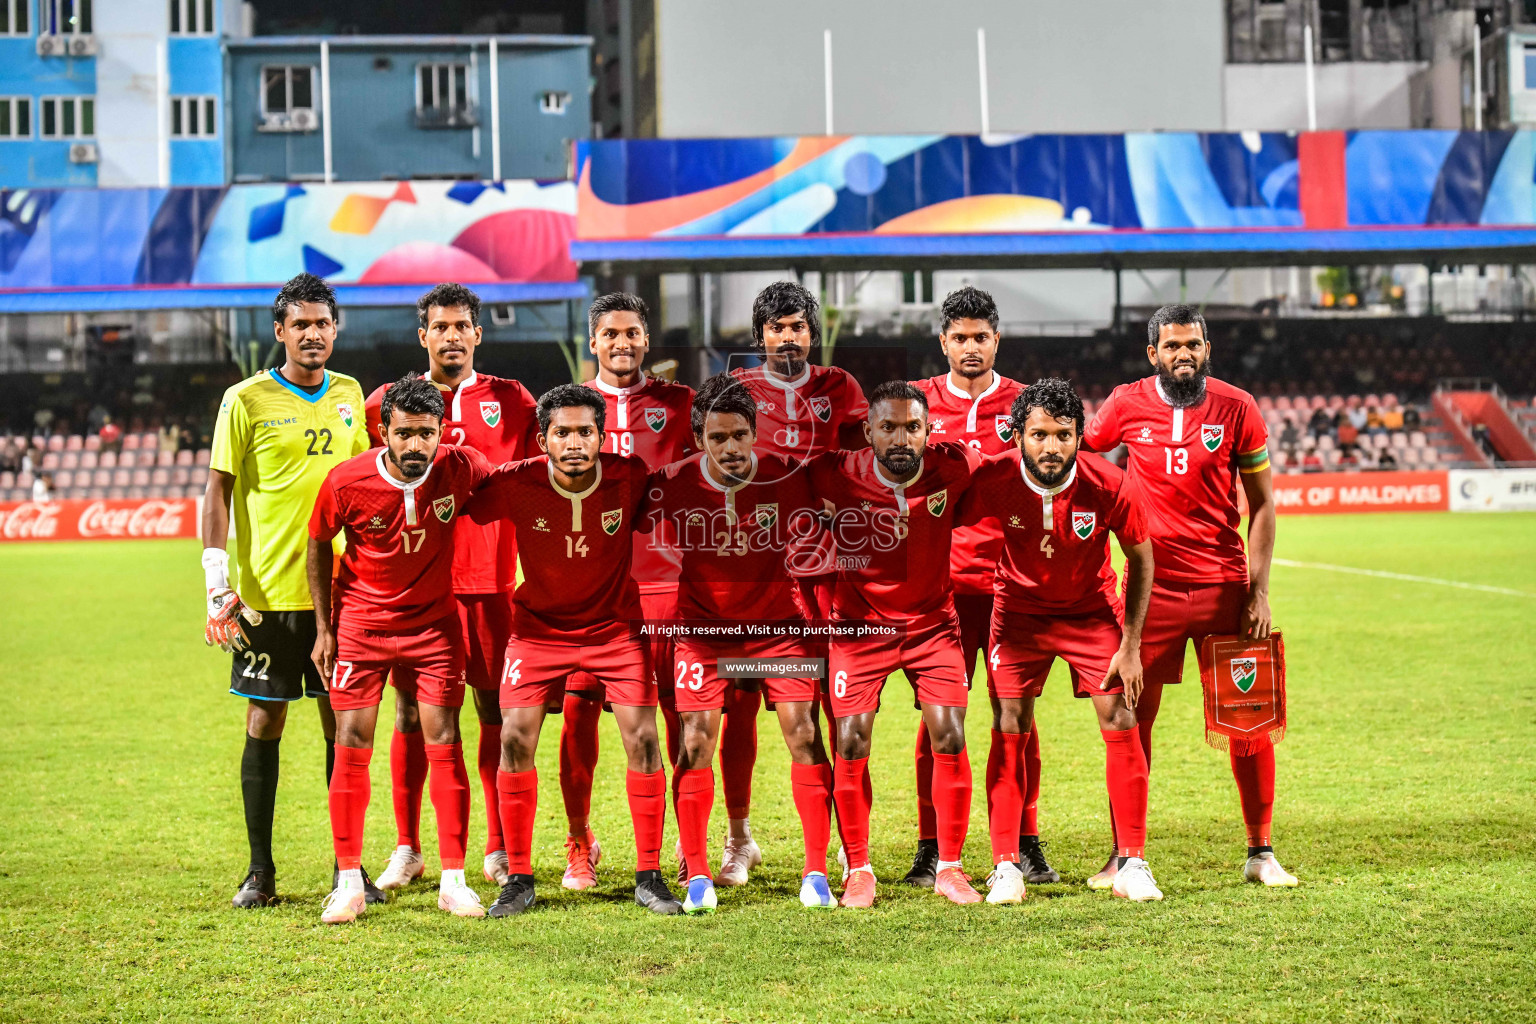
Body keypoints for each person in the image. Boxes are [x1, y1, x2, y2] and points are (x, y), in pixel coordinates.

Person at [1084, 303, 1297, 890]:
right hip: (1149, 591)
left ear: (1207, 350)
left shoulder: (1237, 407)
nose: (1185, 355)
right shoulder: (1125, 404)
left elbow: (1263, 504)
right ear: (1152, 353)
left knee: (1249, 719)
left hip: (1224, 587)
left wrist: (1259, 591)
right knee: (1130, 719)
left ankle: (1261, 852)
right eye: (1173, 346)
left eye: (1194, 345)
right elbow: (1085, 458)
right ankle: (1125, 856)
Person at [464, 384, 682, 917]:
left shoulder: (630, 476)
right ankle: (518, 878)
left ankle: (649, 876)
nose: (575, 443)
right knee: (514, 736)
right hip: (538, 632)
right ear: (543, 440)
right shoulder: (516, 482)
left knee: (644, 739)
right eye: (562, 433)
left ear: (601, 436)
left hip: (615, 631)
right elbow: (458, 501)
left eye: (586, 431)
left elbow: (679, 502)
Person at [201, 273, 377, 909]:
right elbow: (218, 488)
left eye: (322, 323)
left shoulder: (352, 395)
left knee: (344, 726)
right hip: (268, 595)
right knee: (265, 717)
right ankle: (259, 870)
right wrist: (215, 580)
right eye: (299, 324)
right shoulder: (244, 400)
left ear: (336, 329)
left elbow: (366, 482)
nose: (312, 334)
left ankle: (347, 872)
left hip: (344, 594)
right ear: (280, 332)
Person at [364, 283, 541, 894]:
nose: (452, 336)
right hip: (417, 591)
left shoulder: (514, 401)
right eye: (440, 326)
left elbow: (536, 479)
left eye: (462, 325)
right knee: (412, 711)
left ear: (478, 334)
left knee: (494, 709)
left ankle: (494, 847)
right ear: (424, 336)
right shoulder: (387, 403)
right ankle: (408, 847)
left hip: (493, 586)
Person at [961, 378, 1161, 903]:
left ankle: (1132, 863)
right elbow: (941, 521)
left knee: (1120, 718)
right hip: (1018, 617)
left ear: (1078, 437)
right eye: (1039, 434)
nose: (1051, 447)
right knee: (1009, 724)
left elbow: (1141, 559)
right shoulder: (995, 478)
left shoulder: (1108, 482)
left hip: (1091, 614)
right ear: (1019, 436)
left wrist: (1131, 644)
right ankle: (1005, 866)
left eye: (1063, 435)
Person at [641, 374, 836, 912]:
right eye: (717, 437)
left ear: (755, 433)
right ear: (699, 436)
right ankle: (699, 876)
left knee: (803, 732)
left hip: (777, 629)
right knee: (697, 740)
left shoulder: (788, 476)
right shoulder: (669, 482)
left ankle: (816, 870)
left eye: (740, 436)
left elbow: (844, 502)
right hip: (702, 632)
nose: (730, 448)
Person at [306, 374, 493, 924]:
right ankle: (348, 883)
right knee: (351, 739)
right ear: (383, 430)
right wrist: (325, 627)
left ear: (442, 433)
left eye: (427, 434)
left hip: (434, 628)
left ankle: (455, 881)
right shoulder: (346, 481)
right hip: (362, 626)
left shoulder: (461, 467)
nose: (416, 446)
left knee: (445, 737)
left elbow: (510, 482)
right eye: (405, 433)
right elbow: (318, 543)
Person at [807, 381, 981, 908]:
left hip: (933, 627)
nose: (901, 438)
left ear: (930, 431)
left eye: (912, 427)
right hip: (859, 630)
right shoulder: (831, 473)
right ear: (868, 432)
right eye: (888, 428)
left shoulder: (954, 466)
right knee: (852, 741)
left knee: (949, 734)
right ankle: (859, 868)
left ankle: (949, 866)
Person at [722, 281, 870, 884]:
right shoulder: (739, 391)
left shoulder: (840, 388)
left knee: (840, 708)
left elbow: (867, 464)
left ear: (812, 332)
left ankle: (843, 840)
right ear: (761, 337)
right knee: (737, 705)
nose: (788, 336)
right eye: (777, 328)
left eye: (797, 326)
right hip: (755, 574)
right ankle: (738, 840)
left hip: (831, 575)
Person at [908, 285, 1056, 888]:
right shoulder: (917, 402)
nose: (971, 348)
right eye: (960, 338)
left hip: (1008, 586)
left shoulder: (1025, 404)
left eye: (982, 337)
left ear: (998, 339)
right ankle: (929, 845)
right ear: (943, 341)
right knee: (938, 718)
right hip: (937, 588)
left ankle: (1025, 838)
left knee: (1013, 714)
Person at [557, 292, 695, 891]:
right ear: (593, 342)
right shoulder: (567, 411)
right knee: (577, 719)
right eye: (610, 334)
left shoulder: (680, 405)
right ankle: (578, 844)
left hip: (666, 586)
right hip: (589, 593)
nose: (622, 344)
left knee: (680, 718)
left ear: (647, 339)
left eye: (633, 333)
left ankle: (688, 846)